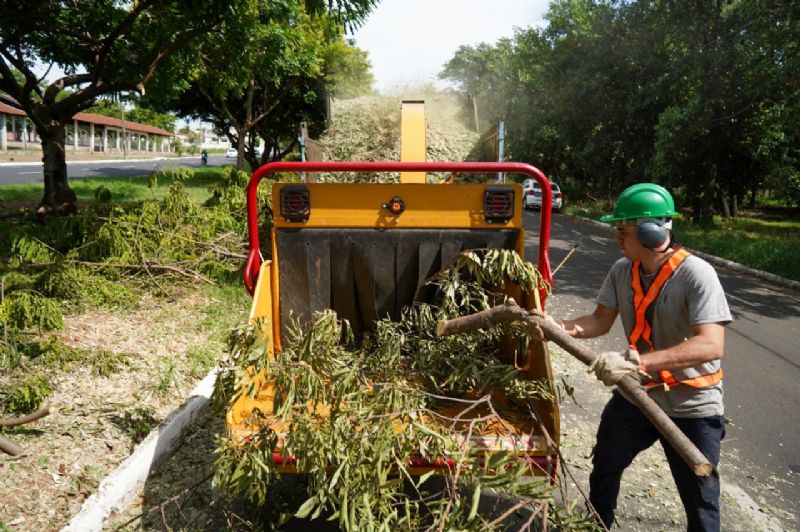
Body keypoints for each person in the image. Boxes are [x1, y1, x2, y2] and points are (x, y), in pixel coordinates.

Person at [536, 183, 731, 531]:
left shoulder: (696, 274)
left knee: (701, 497)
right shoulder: (622, 271)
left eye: (621, 229)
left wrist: (636, 362)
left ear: (649, 231)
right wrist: (559, 326)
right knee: (605, 467)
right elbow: (598, 320)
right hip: (638, 395)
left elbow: (710, 346)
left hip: (692, 404)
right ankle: (597, 525)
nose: (616, 237)